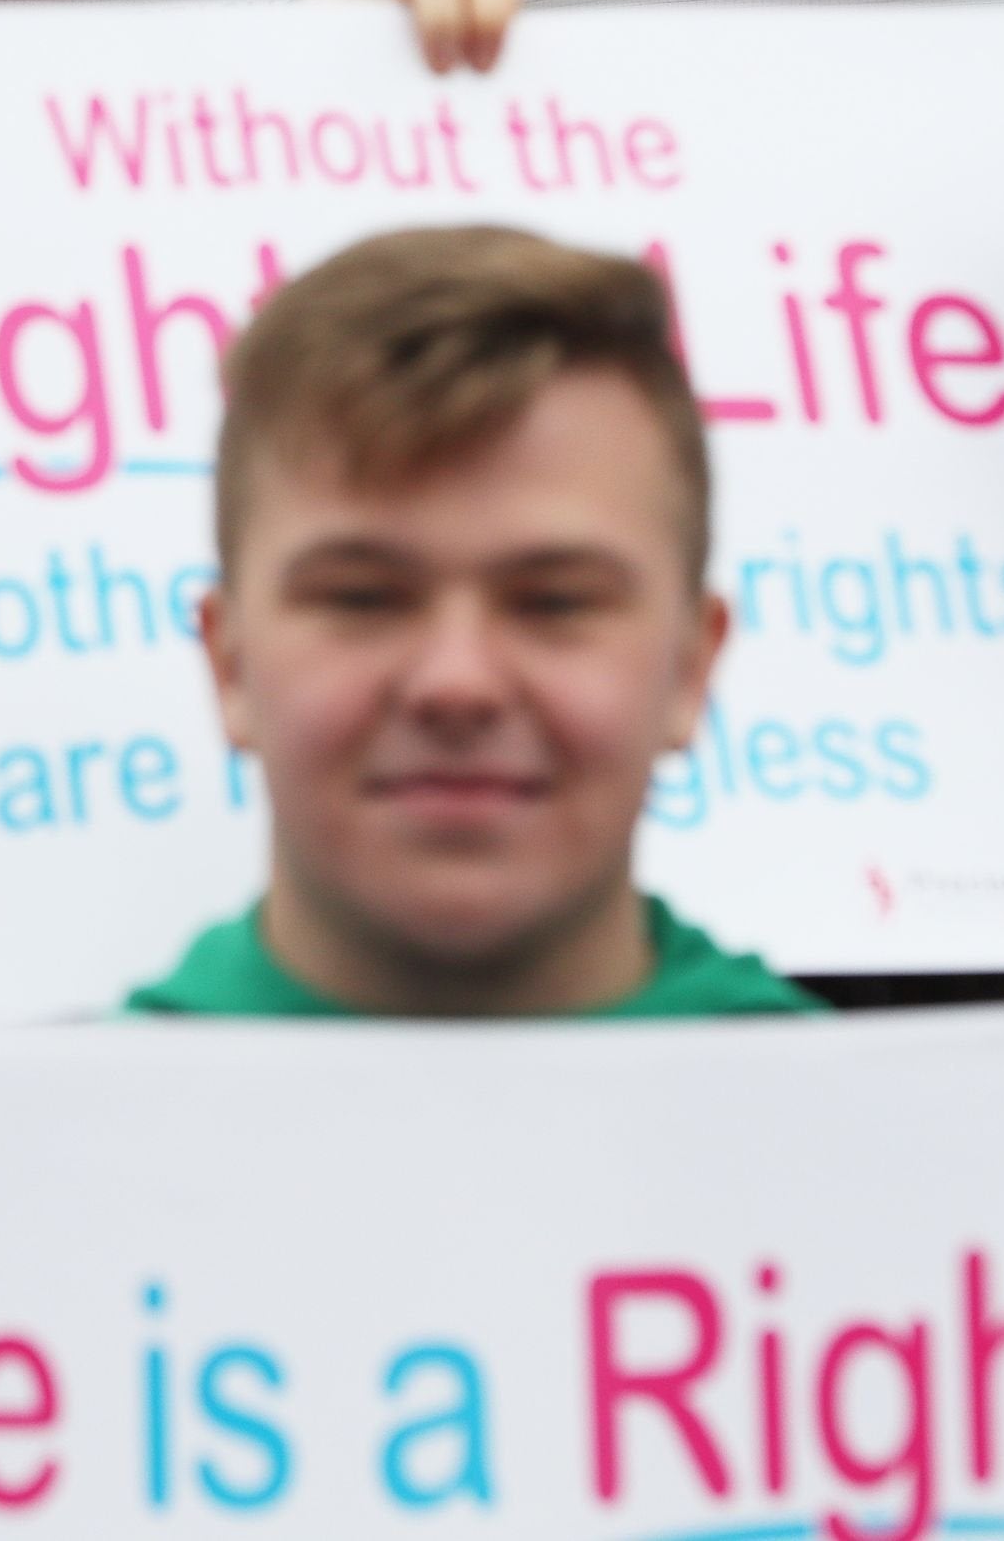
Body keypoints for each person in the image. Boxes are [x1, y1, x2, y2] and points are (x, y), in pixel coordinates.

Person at [131, 222, 817, 1019]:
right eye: (362, 597)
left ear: (692, 667)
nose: (456, 682)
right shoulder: (52, 1136)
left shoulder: (882, 1133)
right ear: (229, 665)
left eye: (554, 602)